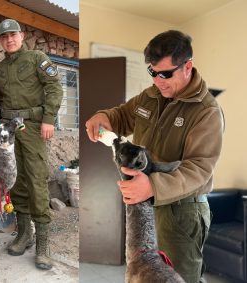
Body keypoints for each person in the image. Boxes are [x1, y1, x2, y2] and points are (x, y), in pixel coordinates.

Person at [85, 30, 223, 283]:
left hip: (182, 212)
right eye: (153, 72)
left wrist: (153, 185)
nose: (158, 81)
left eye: (165, 74)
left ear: (187, 66)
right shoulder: (151, 96)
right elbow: (122, 115)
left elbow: (200, 168)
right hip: (147, 203)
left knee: (178, 278)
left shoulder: (207, 112)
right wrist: (104, 116)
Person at [0, 19, 62, 270]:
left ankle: (43, 245)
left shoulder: (36, 58)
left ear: (21, 36)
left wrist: (49, 119)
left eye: (13, 35)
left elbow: (54, 87)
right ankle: (24, 235)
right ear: (0, 40)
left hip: (32, 127)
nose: (9, 39)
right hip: (8, 131)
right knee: (16, 180)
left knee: (36, 180)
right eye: (4, 36)